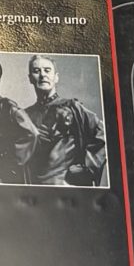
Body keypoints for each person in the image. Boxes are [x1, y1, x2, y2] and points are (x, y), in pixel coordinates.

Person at [26, 57, 107, 187]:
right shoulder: (25, 115)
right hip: (35, 187)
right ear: (30, 78)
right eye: (36, 71)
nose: (42, 75)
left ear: (56, 77)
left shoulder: (72, 107)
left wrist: (87, 168)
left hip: (66, 186)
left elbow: (103, 134)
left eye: (47, 70)